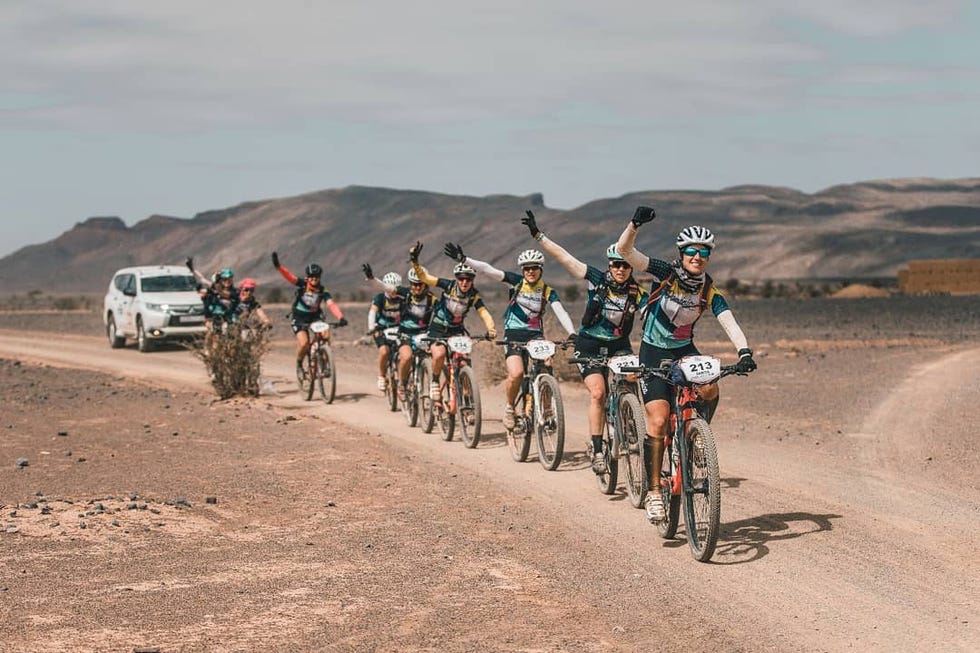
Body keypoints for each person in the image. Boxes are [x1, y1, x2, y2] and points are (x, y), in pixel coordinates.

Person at [615, 206, 757, 523]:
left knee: (710, 386)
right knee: (658, 418)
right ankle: (653, 493)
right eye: (691, 250)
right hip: (653, 353)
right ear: (682, 253)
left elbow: (728, 321)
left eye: (703, 251)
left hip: (683, 351)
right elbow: (626, 252)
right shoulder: (665, 273)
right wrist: (634, 224)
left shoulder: (708, 288)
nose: (697, 255)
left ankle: (696, 435)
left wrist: (744, 351)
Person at [521, 210, 650, 475]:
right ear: (609, 266)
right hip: (589, 344)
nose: (621, 270)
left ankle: (629, 419)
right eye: (615, 265)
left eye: (625, 265)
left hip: (619, 345)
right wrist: (539, 236)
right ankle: (598, 450)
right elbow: (565, 257)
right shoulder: (595, 279)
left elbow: (651, 313)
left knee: (633, 379)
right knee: (598, 393)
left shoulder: (638, 291)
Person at [441, 241, 576, 431]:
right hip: (513, 335)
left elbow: (560, 311)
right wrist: (465, 260)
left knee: (546, 365)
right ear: (522, 270)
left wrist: (572, 333)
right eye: (527, 268)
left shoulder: (547, 291)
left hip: (535, 336)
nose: (530, 271)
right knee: (517, 373)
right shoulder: (516, 282)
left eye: (534, 268)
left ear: (541, 269)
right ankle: (510, 408)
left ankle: (546, 411)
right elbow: (489, 270)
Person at [408, 241, 496, 403]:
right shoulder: (448, 286)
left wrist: (491, 328)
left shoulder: (473, 295)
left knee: (464, 361)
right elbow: (424, 278)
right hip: (438, 328)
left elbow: (484, 313)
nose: (464, 282)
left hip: (456, 330)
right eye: (461, 279)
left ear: (472, 280)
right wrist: (415, 262)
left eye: (468, 279)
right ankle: (435, 380)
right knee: (440, 354)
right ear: (456, 279)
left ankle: (468, 401)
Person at [362, 263, 437, 401]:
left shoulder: (422, 299)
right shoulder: (387, 297)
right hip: (389, 330)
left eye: (420, 284)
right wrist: (372, 278)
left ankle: (436, 384)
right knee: (389, 352)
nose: (417, 287)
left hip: (416, 333)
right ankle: (388, 378)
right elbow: (374, 308)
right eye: (414, 284)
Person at [270, 252, 348, 376]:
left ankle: (324, 362)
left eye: (316, 277)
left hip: (315, 316)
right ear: (307, 278)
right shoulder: (302, 285)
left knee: (326, 334)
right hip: (299, 317)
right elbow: (289, 276)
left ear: (319, 278)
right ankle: (299, 364)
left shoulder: (323, 290)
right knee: (304, 343)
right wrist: (278, 266)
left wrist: (341, 317)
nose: (313, 280)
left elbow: (331, 304)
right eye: (311, 277)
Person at [365, 271, 406, 392]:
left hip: (399, 328)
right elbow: (372, 313)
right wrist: (372, 328)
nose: (392, 293)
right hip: (381, 328)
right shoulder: (380, 298)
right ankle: (381, 376)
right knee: (384, 351)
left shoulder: (403, 298)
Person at [186, 258, 239, 336]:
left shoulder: (234, 292)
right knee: (214, 336)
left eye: (229, 280)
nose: (227, 282)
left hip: (229, 320)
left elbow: (224, 294)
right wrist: (193, 270)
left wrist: (217, 287)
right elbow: (202, 279)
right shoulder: (215, 288)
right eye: (224, 280)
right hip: (216, 318)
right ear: (221, 280)